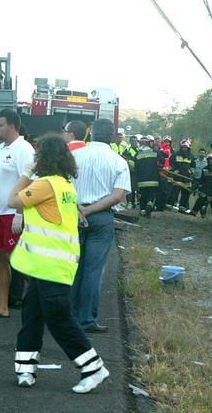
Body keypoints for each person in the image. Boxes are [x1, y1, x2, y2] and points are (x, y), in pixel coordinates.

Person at [9, 134, 109, 394]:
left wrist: (26, 172)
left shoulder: (45, 184)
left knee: (59, 319)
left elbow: (13, 200)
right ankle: (25, 368)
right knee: (32, 314)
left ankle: (93, 368)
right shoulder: (65, 185)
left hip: (49, 265)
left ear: (43, 157)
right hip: (50, 263)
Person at [70, 119, 130, 334]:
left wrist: (80, 209)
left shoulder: (75, 156)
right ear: (112, 136)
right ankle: (86, 319)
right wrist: (92, 209)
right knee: (93, 271)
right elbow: (118, 195)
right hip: (101, 218)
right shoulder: (118, 161)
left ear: (90, 134)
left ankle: (67, 316)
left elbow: (62, 185)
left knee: (73, 268)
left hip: (74, 214)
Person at [0, 108, 35, 318]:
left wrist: (20, 213)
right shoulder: (1, 149)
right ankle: (2, 305)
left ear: (12, 126)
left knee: (17, 260)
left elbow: (28, 181)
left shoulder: (23, 149)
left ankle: (49, 292)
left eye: (0, 125)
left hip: (12, 213)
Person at [135, 136, 159, 217]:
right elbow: (161, 161)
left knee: (143, 194)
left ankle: (142, 210)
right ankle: (150, 203)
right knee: (151, 193)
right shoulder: (155, 152)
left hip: (142, 180)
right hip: (153, 179)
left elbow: (136, 167)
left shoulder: (138, 153)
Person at [172, 138, 195, 213]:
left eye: (186, 147)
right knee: (175, 191)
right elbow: (171, 162)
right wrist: (174, 169)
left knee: (186, 193)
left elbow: (193, 165)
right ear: (181, 147)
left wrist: (191, 171)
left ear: (188, 148)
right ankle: (174, 205)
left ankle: (182, 206)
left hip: (187, 178)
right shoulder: (176, 154)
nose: (184, 148)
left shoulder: (191, 156)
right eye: (183, 147)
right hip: (178, 176)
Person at [192, 147, 208, 218]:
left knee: (203, 197)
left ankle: (202, 212)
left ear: (205, 154)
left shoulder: (207, 162)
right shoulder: (195, 161)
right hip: (195, 180)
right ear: (198, 153)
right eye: (200, 152)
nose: (202, 154)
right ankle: (186, 209)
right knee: (187, 192)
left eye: (203, 153)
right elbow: (192, 169)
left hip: (203, 182)